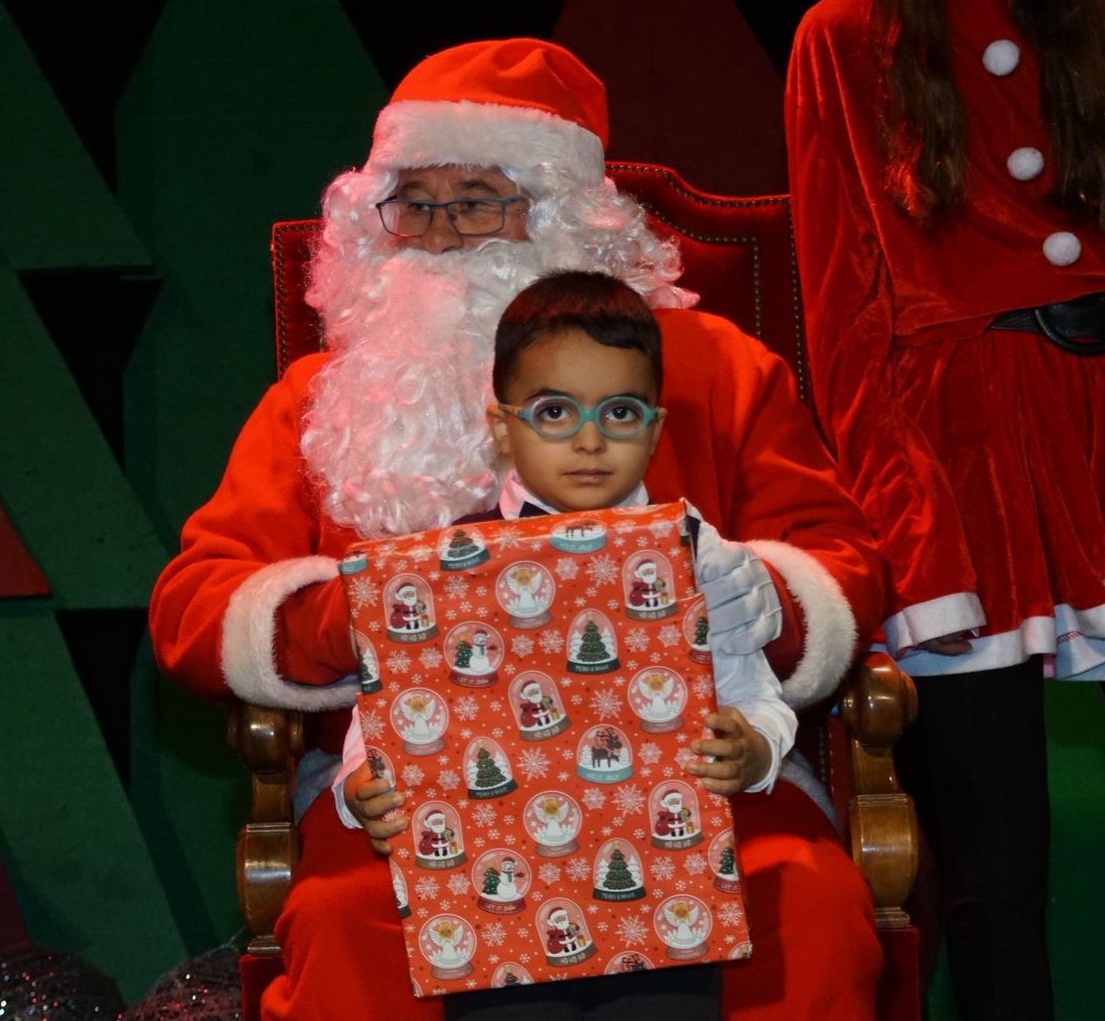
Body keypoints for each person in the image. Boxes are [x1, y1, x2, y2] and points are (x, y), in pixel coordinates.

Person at [150, 37, 884, 1021]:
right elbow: (194, 600)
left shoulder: (715, 368)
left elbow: (840, 558)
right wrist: (348, 619)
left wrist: (758, 593)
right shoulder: (320, 398)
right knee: (354, 921)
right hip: (405, 783)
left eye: (480, 200)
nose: (442, 235)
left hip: (692, 767)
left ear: (561, 214)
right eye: (416, 201)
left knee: (812, 908)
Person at [785, 0, 1105, 1017]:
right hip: (958, 475)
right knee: (991, 881)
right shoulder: (842, 33)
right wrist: (918, 546)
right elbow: (844, 311)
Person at [336, 272, 800, 1019]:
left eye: (619, 412)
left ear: (654, 425)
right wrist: (362, 789)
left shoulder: (696, 553)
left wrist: (755, 748)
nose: (590, 439)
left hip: (666, 903)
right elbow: (383, 715)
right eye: (555, 411)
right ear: (502, 427)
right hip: (498, 913)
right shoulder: (446, 564)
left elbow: (758, 698)